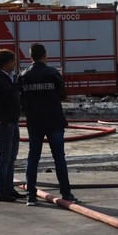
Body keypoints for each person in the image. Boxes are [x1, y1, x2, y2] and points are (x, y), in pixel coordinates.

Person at [19, 43, 79, 206]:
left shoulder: (24, 75)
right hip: (54, 121)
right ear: (45, 56)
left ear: (30, 57)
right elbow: (62, 94)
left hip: (35, 122)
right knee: (59, 157)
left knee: (33, 158)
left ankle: (31, 195)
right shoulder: (52, 73)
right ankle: (66, 194)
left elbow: (22, 100)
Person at [0, 49, 26, 202]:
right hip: (5, 125)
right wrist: (5, 121)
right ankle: (1, 191)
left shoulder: (10, 78)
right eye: (12, 61)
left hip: (12, 123)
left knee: (11, 158)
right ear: (5, 62)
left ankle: (9, 188)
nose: (14, 64)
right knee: (4, 158)